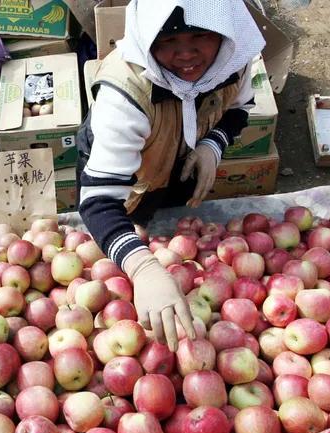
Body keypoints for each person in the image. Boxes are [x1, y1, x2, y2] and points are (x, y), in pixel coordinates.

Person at [77, 0, 265, 351]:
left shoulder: (232, 60)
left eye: (200, 35)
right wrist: (143, 267)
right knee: (128, 231)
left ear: (222, 31)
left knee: (174, 222)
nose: (186, 54)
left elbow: (240, 108)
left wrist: (212, 144)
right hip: (125, 176)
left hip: (181, 158)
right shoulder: (125, 94)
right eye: (166, 42)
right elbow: (99, 200)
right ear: (148, 39)